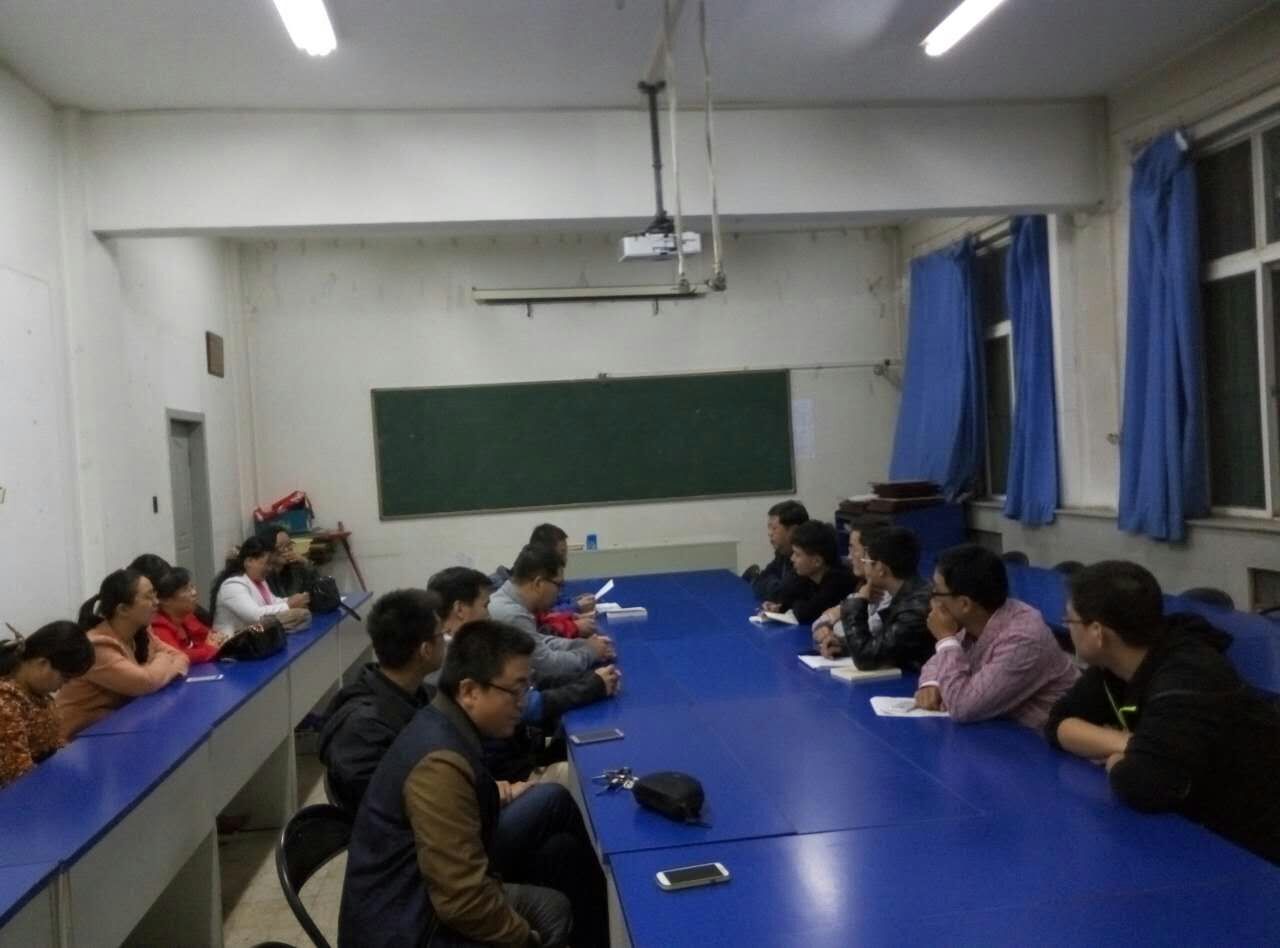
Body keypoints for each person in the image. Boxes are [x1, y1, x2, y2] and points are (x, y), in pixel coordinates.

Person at [340, 620, 608, 948]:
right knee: (554, 904)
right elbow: (462, 900)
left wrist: (493, 794)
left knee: (560, 851)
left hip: (419, 895)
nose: (522, 702)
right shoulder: (440, 765)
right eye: (515, 690)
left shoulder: (443, 724)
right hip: (410, 927)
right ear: (469, 691)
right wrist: (526, 938)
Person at [1047, 561, 1280, 865]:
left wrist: (1121, 755)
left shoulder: (1188, 675)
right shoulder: (1114, 667)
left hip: (1253, 842)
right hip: (1203, 822)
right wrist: (1131, 744)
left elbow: (1142, 784)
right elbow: (1057, 723)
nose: (1067, 628)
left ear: (1097, 632)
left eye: (1070, 620)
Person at [430, 566, 620, 785]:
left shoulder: (468, 645)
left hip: (518, 751)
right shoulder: (453, 660)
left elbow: (532, 677)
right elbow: (528, 706)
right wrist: (591, 685)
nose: (489, 614)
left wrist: (587, 677)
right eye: (484, 606)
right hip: (507, 774)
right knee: (589, 776)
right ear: (460, 609)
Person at [913, 544, 1078, 727]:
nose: (933, 600)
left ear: (964, 604)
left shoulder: (1022, 638)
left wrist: (945, 639)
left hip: (1040, 737)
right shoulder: (974, 617)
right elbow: (937, 663)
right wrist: (932, 684)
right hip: (1000, 727)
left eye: (936, 592)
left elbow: (963, 707)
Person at [319, 589, 445, 815]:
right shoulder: (362, 728)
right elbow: (387, 804)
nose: (445, 640)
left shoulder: (420, 694)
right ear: (425, 650)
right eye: (441, 635)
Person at [57, 569, 190, 738]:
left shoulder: (142, 631)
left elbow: (181, 657)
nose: (156, 602)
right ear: (123, 609)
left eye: (155, 594)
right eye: (148, 597)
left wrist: (154, 671)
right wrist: (162, 658)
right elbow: (145, 683)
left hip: (116, 725)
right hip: (77, 739)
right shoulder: (97, 645)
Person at [489, 545, 614, 684]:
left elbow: (539, 641)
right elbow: (548, 666)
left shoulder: (510, 600)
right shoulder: (512, 615)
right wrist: (590, 652)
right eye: (558, 585)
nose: (559, 593)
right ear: (539, 584)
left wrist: (584, 644)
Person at [814, 527, 934, 672]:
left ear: (881, 568)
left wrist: (858, 602)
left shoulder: (915, 608)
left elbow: (866, 659)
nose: (863, 565)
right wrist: (844, 646)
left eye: (866, 560)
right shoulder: (907, 595)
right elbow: (886, 645)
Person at [0, 621, 95, 787]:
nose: (65, 684)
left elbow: (50, 740)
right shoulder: (6, 703)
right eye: (65, 677)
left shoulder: (38, 695)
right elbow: (18, 775)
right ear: (42, 663)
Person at [811, 516, 889, 651]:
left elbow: (858, 634)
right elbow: (818, 623)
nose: (849, 556)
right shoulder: (865, 589)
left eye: (854, 549)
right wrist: (825, 628)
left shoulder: (889, 598)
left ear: (870, 553)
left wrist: (840, 615)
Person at [210, 535, 310, 636]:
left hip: (254, 639)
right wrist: (288, 605)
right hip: (230, 642)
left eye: (271, 564)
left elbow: (273, 602)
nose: (270, 568)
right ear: (249, 561)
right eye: (267, 563)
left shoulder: (259, 581)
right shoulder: (232, 585)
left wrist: (292, 600)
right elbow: (255, 616)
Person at [760, 520, 855, 624]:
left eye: (797, 554)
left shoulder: (838, 581)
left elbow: (805, 613)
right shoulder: (807, 576)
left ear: (817, 561)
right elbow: (786, 596)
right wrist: (779, 607)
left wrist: (793, 605)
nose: (792, 559)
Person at [151, 567, 226, 664]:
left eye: (192, 587)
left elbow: (210, 636)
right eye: (186, 589)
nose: (194, 593)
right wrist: (209, 648)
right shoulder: (158, 627)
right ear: (165, 600)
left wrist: (217, 639)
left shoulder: (187, 617)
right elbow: (178, 656)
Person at [743, 500, 809, 601]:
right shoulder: (782, 553)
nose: (769, 533)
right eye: (769, 528)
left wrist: (773, 583)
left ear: (793, 531)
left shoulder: (806, 558)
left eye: (774, 528)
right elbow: (760, 580)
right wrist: (774, 583)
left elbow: (779, 595)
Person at [259, 524, 320, 599]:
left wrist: (306, 562)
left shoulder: (296, 567)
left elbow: (318, 588)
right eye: (280, 546)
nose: (286, 549)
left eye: (289, 544)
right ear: (267, 549)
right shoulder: (263, 575)